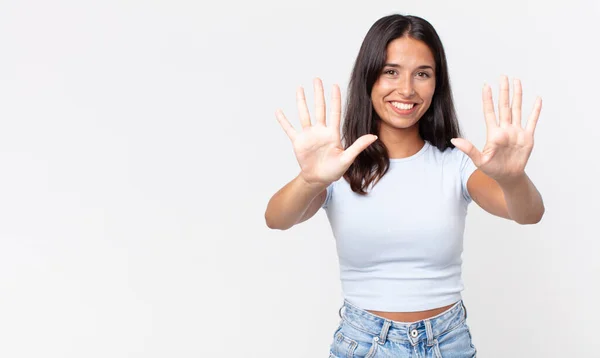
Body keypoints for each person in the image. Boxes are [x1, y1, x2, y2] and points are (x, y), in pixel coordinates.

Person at [264, 13, 544, 357]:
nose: (407, 89)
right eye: (391, 71)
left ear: (436, 84)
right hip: (364, 343)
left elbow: (528, 213)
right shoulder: (338, 165)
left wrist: (513, 178)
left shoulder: (456, 163)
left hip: (447, 342)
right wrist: (309, 179)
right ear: (369, 76)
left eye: (422, 74)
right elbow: (277, 218)